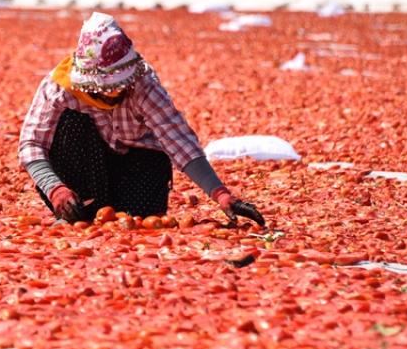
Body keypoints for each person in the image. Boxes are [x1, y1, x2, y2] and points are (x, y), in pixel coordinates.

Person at [18, 12, 265, 227]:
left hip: (137, 163)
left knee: (140, 219)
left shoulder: (143, 86)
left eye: (119, 86)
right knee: (71, 122)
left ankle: (107, 209)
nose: (114, 93)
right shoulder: (59, 88)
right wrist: (55, 189)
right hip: (85, 165)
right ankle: (76, 207)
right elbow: (32, 144)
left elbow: (178, 141)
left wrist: (221, 194)